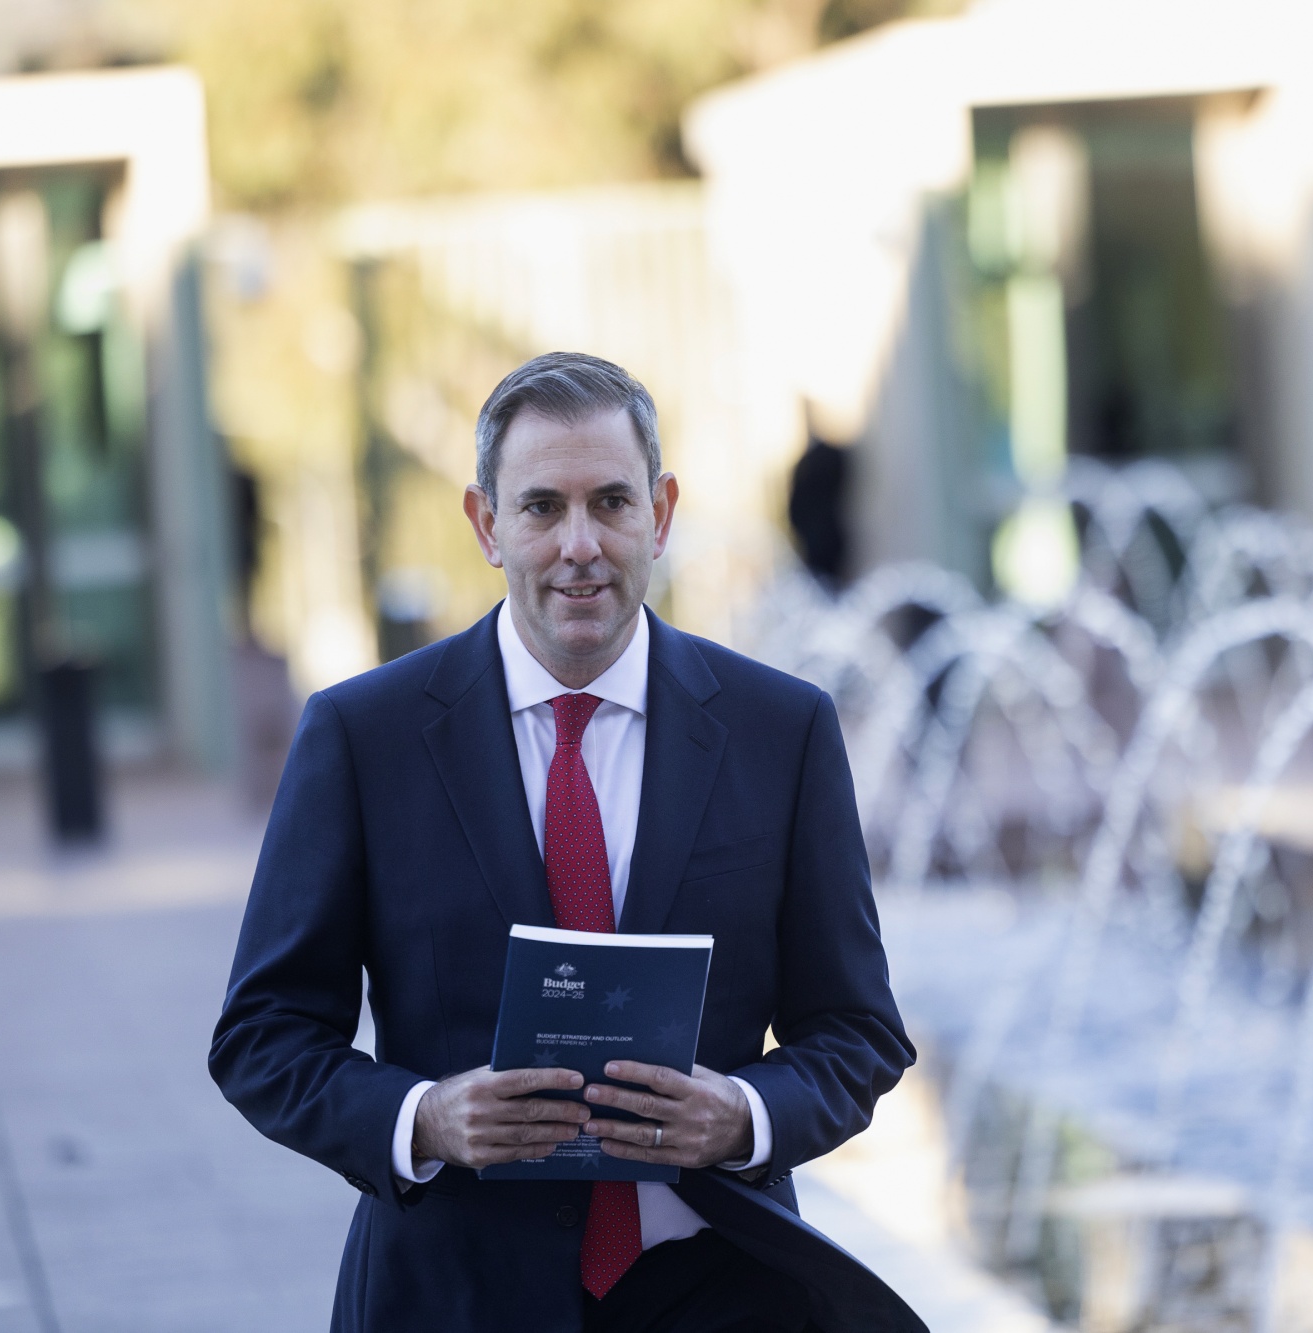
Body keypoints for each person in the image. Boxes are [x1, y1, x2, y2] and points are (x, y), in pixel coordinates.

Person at [212, 352, 920, 1332]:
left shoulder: (782, 731)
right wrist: (422, 1118)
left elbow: (857, 1032)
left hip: (724, 1291)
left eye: (611, 503)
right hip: (452, 1296)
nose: (578, 545)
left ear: (660, 514)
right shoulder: (363, 737)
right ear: (485, 524)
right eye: (542, 507)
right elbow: (262, 1035)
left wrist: (744, 1116)